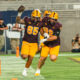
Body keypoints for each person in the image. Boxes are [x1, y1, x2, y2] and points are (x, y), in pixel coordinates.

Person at [15, 6, 43, 76]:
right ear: (31, 16)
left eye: (37, 17)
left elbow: (42, 33)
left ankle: (25, 70)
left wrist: (43, 39)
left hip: (34, 43)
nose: (35, 19)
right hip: (26, 41)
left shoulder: (40, 23)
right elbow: (18, 21)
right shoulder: (27, 19)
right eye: (34, 17)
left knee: (30, 58)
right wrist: (19, 13)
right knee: (24, 56)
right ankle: (23, 54)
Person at [35, 12, 62, 76]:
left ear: (56, 20)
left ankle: (53, 57)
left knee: (52, 58)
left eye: (55, 19)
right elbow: (40, 27)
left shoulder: (58, 25)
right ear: (49, 18)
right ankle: (38, 70)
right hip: (47, 44)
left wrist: (45, 39)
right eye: (52, 19)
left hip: (55, 44)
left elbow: (55, 37)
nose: (53, 20)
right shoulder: (45, 20)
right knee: (42, 58)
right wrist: (43, 34)